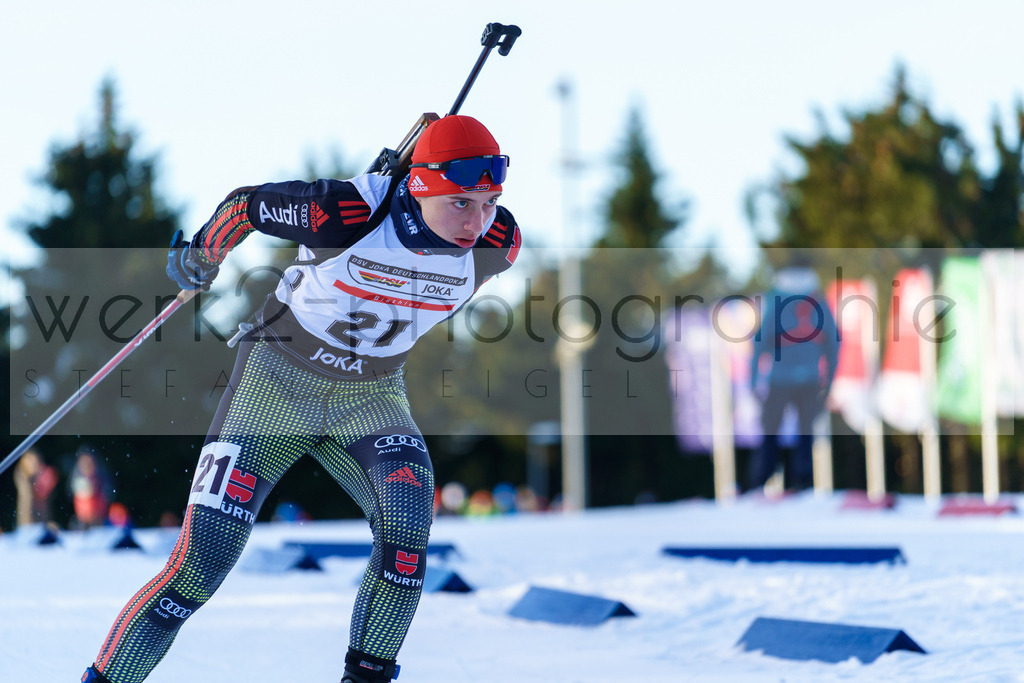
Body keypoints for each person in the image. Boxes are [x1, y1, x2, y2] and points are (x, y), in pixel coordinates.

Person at [82, 115, 521, 683]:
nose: (477, 220)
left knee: (408, 534)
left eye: (489, 202)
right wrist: (204, 254)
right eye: (461, 202)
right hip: (275, 384)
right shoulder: (343, 212)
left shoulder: (498, 243)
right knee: (202, 563)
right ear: (418, 184)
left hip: (372, 397)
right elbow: (246, 205)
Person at [746, 265, 839, 493]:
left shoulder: (776, 297)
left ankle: (760, 480)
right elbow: (833, 342)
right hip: (810, 378)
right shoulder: (818, 299)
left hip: (780, 378)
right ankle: (803, 481)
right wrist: (830, 381)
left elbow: (760, 340)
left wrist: (753, 379)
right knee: (806, 431)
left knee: (770, 431)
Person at [13, 448, 58, 528]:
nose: (33, 464)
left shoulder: (44, 475)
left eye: (34, 461)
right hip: (28, 522)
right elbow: (26, 502)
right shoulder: (22, 478)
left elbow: (46, 491)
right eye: (29, 461)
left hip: (42, 517)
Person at [69, 447, 111, 529]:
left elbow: (108, 494)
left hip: (100, 520)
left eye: (89, 463)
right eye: (84, 464)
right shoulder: (76, 479)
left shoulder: (101, 480)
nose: (86, 467)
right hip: (82, 522)